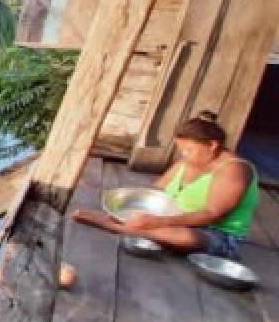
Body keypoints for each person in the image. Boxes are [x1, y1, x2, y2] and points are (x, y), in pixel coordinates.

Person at [73, 111, 259, 260]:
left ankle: (118, 228)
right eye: (182, 150)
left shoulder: (234, 170)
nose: (184, 155)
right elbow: (155, 192)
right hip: (173, 221)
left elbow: (213, 214)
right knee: (153, 223)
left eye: (189, 150)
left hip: (216, 234)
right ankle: (137, 227)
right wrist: (130, 207)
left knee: (187, 238)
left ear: (212, 145)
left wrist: (159, 222)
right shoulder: (185, 164)